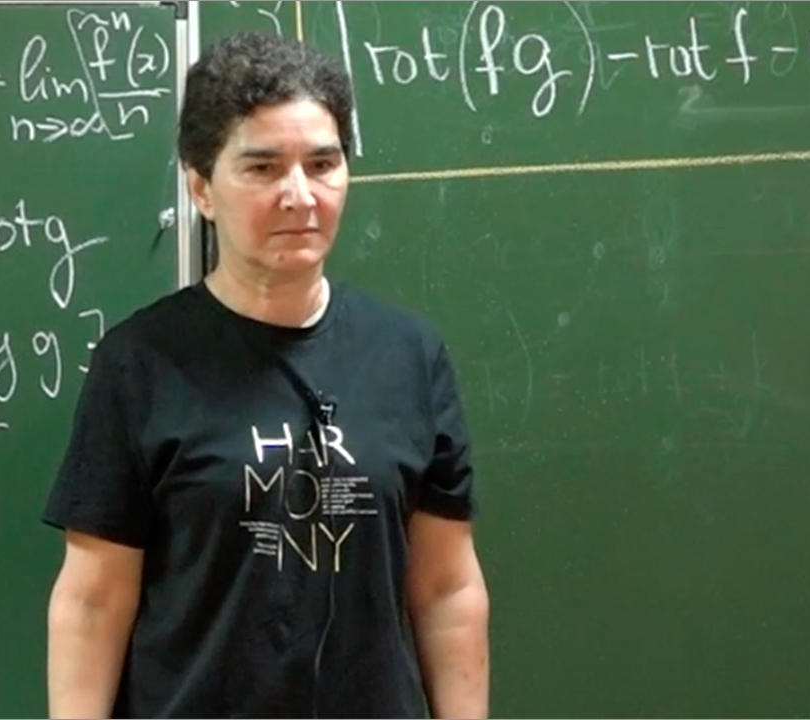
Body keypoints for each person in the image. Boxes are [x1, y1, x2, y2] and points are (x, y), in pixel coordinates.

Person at [42, 31, 489, 719]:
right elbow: (94, 600)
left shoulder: (410, 356)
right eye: (263, 168)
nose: (300, 195)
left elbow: (446, 588)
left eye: (323, 164)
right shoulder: (139, 364)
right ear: (201, 187)